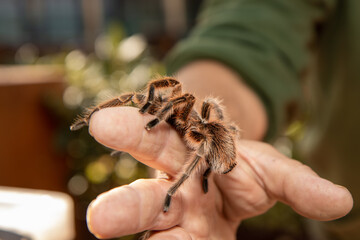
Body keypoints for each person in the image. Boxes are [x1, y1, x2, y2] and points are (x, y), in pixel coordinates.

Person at [85, 0, 360, 239]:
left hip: (214, 146)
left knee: (201, 141)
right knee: (196, 114)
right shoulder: (191, 116)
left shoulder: (195, 128)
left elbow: (206, 120)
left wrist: (159, 127)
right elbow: (242, 39)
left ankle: (180, 186)